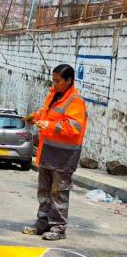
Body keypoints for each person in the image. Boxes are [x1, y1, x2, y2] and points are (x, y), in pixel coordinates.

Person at [22, 64, 87, 241]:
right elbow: (46, 113)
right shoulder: (54, 95)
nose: (55, 83)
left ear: (69, 81)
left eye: (58, 81)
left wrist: (47, 125)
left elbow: (73, 128)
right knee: (44, 191)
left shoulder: (76, 101)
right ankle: (42, 222)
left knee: (59, 193)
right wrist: (35, 117)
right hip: (48, 153)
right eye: (54, 80)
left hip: (64, 157)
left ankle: (58, 228)